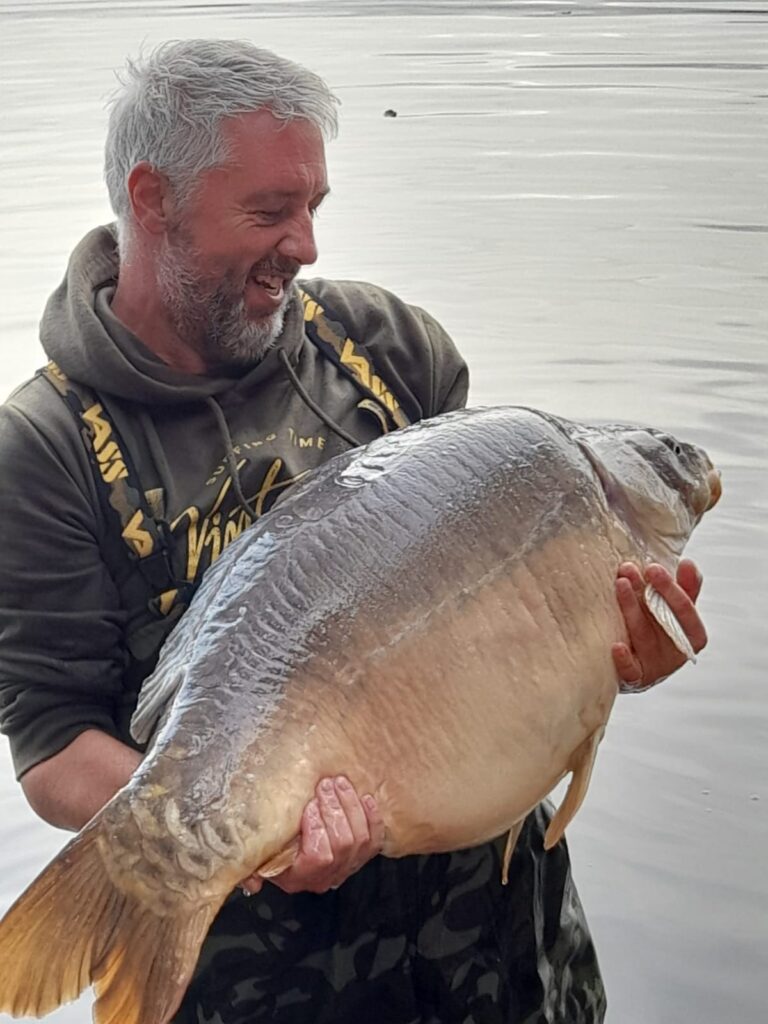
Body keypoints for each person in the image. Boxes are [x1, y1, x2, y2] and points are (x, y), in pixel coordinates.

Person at [0, 39, 707, 1024]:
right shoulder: (44, 446)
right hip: (269, 988)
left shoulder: (384, 346)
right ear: (152, 198)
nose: (305, 247)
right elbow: (50, 742)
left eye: (313, 208)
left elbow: (491, 620)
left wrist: (603, 656)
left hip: (503, 956)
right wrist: (241, 836)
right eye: (269, 212)